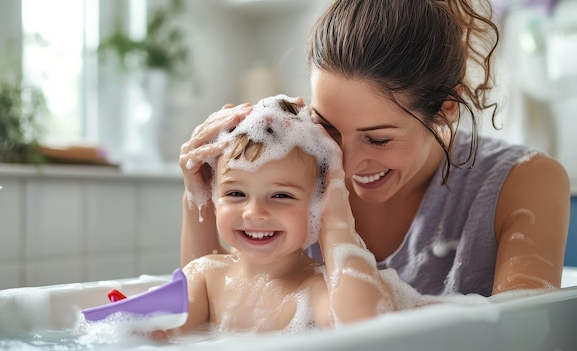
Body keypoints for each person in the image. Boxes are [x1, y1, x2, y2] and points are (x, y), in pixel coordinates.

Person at [179, 0, 570, 298]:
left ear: (446, 108)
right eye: (327, 127)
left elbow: (523, 335)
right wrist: (196, 197)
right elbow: (217, 305)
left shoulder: (523, 183)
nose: (345, 162)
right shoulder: (297, 169)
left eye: (378, 138)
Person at [159, 95, 393, 337]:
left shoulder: (316, 289)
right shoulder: (206, 277)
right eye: (236, 193)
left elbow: (368, 332)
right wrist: (195, 195)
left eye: (281, 195)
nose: (255, 213)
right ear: (215, 198)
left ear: (318, 204)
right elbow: (161, 334)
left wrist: (336, 219)